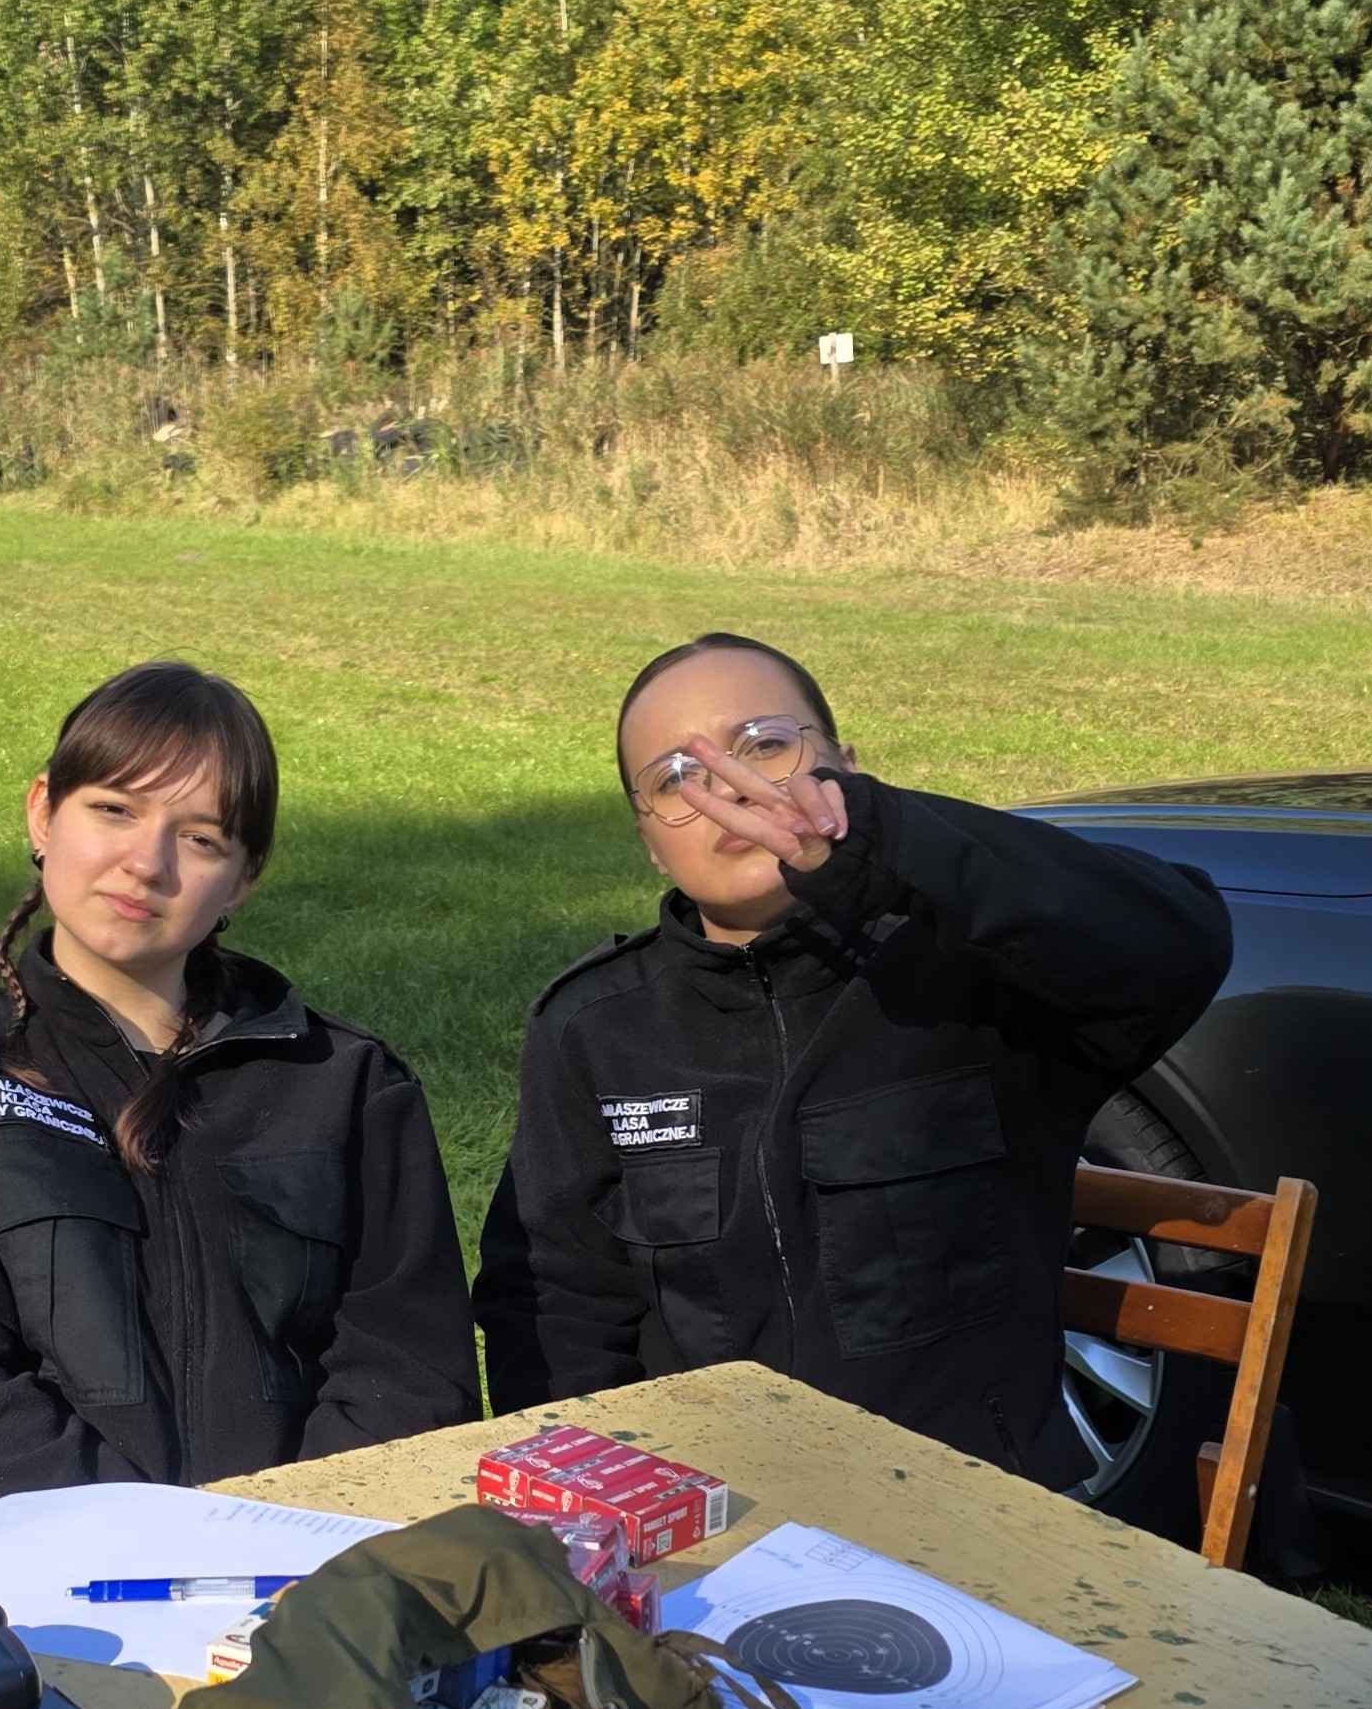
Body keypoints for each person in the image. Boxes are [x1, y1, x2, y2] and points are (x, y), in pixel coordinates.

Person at [473, 632, 1233, 1490]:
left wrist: (885, 840)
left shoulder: (974, 976)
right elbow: (555, 1296)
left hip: (971, 1513)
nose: (730, 786)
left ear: (848, 770)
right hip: (710, 1523)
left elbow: (1180, 943)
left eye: (764, 744)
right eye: (677, 779)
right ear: (649, 841)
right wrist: (597, 1501)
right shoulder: (594, 1028)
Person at [0, 660, 479, 1547]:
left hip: (300, 1571)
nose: (145, 864)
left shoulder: (348, 1084)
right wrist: (138, 1546)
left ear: (243, 878)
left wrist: (286, 1546)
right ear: (44, 812)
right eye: (115, 810)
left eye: (200, 839)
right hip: (6, 1572)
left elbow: (409, 1370)